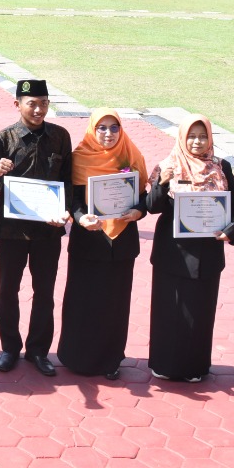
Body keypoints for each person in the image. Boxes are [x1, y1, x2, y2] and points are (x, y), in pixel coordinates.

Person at [0, 79, 71, 376]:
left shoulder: (59, 136)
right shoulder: (3, 138)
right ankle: (9, 347)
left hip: (48, 230)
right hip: (11, 232)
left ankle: (38, 350)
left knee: (44, 292)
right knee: (8, 290)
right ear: (17, 104)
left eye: (43, 103)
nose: (38, 109)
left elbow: (68, 180)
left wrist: (65, 211)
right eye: (31, 103)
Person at [145, 116, 234, 383]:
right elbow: (152, 207)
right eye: (191, 135)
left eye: (202, 136)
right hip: (173, 253)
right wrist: (162, 183)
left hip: (207, 254)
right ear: (181, 137)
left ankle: (195, 367)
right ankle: (164, 365)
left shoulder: (221, 167)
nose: (197, 141)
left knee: (201, 312)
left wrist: (232, 229)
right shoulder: (168, 166)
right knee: (170, 310)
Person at [58, 110, 148, 379]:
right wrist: (79, 217)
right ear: (92, 129)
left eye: (114, 128)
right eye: (102, 128)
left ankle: (111, 360)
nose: (108, 134)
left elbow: (144, 195)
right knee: (82, 301)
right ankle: (76, 357)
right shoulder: (79, 157)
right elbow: (71, 198)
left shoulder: (130, 156)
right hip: (89, 240)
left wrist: (139, 211)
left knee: (115, 304)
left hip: (121, 244)